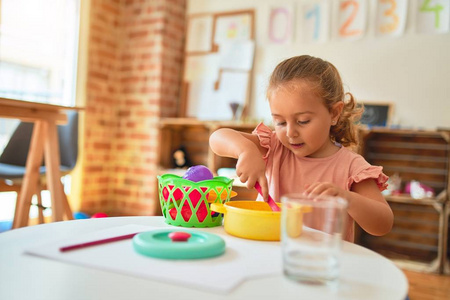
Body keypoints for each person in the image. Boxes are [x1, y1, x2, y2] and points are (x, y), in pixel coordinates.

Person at [209, 55, 393, 242]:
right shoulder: (275, 146)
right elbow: (217, 138)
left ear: (334, 113)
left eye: (302, 121)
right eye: (280, 122)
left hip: (320, 265)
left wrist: (347, 198)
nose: (290, 132)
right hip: (268, 254)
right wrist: (245, 150)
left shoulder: (351, 167)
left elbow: (383, 224)